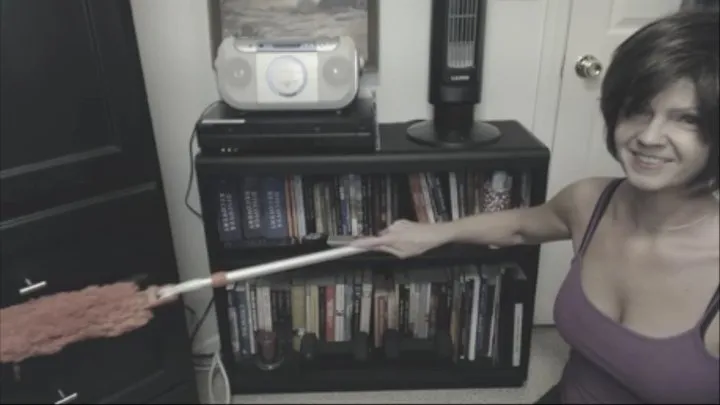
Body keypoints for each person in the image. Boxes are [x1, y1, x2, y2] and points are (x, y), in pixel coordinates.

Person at [351, 9, 719, 404]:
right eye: (639, 110)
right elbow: (521, 225)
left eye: (687, 119)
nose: (649, 136)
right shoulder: (591, 201)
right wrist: (430, 233)